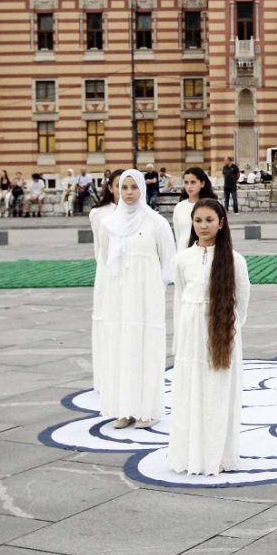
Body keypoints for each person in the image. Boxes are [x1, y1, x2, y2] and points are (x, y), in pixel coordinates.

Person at [169, 198, 251, 475]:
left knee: (217, 390)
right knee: (191, 389)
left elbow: (242, 300)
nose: (203, 226)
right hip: (192, 333)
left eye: (209, 220)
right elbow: (181, 295)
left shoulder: (235, 260)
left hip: (222, 332)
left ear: (221, 223)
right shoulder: (182, 259)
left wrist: (230, 329)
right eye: (198, 220)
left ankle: (217, 454)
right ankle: (189, 454)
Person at [93, 169, 175, 430]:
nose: (128, 193)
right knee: (122, 349)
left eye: (134, 187)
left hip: (146, 298)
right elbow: (105, 260)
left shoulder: (156, 223)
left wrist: (156, 289)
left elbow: (169, 263)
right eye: (124, 188)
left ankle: (148, 410)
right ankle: (124, 409)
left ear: (142, 189)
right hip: (119, 299)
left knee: (145, 348)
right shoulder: (109, 225)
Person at [88, 170, 122, 397]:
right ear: (110, 188)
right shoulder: (98, 214)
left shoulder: (141, 214)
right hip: (106, 274)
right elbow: (98, 248)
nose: (124, 191)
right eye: (119, 186)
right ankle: (105, 376)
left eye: (130, 186)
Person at [172, 166, 217, 249]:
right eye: (186, 183)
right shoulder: (179, 206)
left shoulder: (212, 206)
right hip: (183, 251)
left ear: (202, 184)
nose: (189, 186)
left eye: (193, 182)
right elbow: (178, 234)